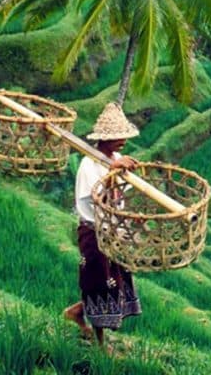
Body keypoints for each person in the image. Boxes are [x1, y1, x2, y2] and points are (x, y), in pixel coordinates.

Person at [63, 103, 142, 350]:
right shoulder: (89, 165)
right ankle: (100, 344)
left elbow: (122, 194)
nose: (122, 142)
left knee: (114, 281)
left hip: (113, 232)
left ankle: (76, 312)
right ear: (104, 140)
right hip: (94, 232)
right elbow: (95, 200)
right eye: (117, 138)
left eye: (123, 137)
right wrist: (111, 175)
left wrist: (130, 215)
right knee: (97, 282)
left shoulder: (116, 159)